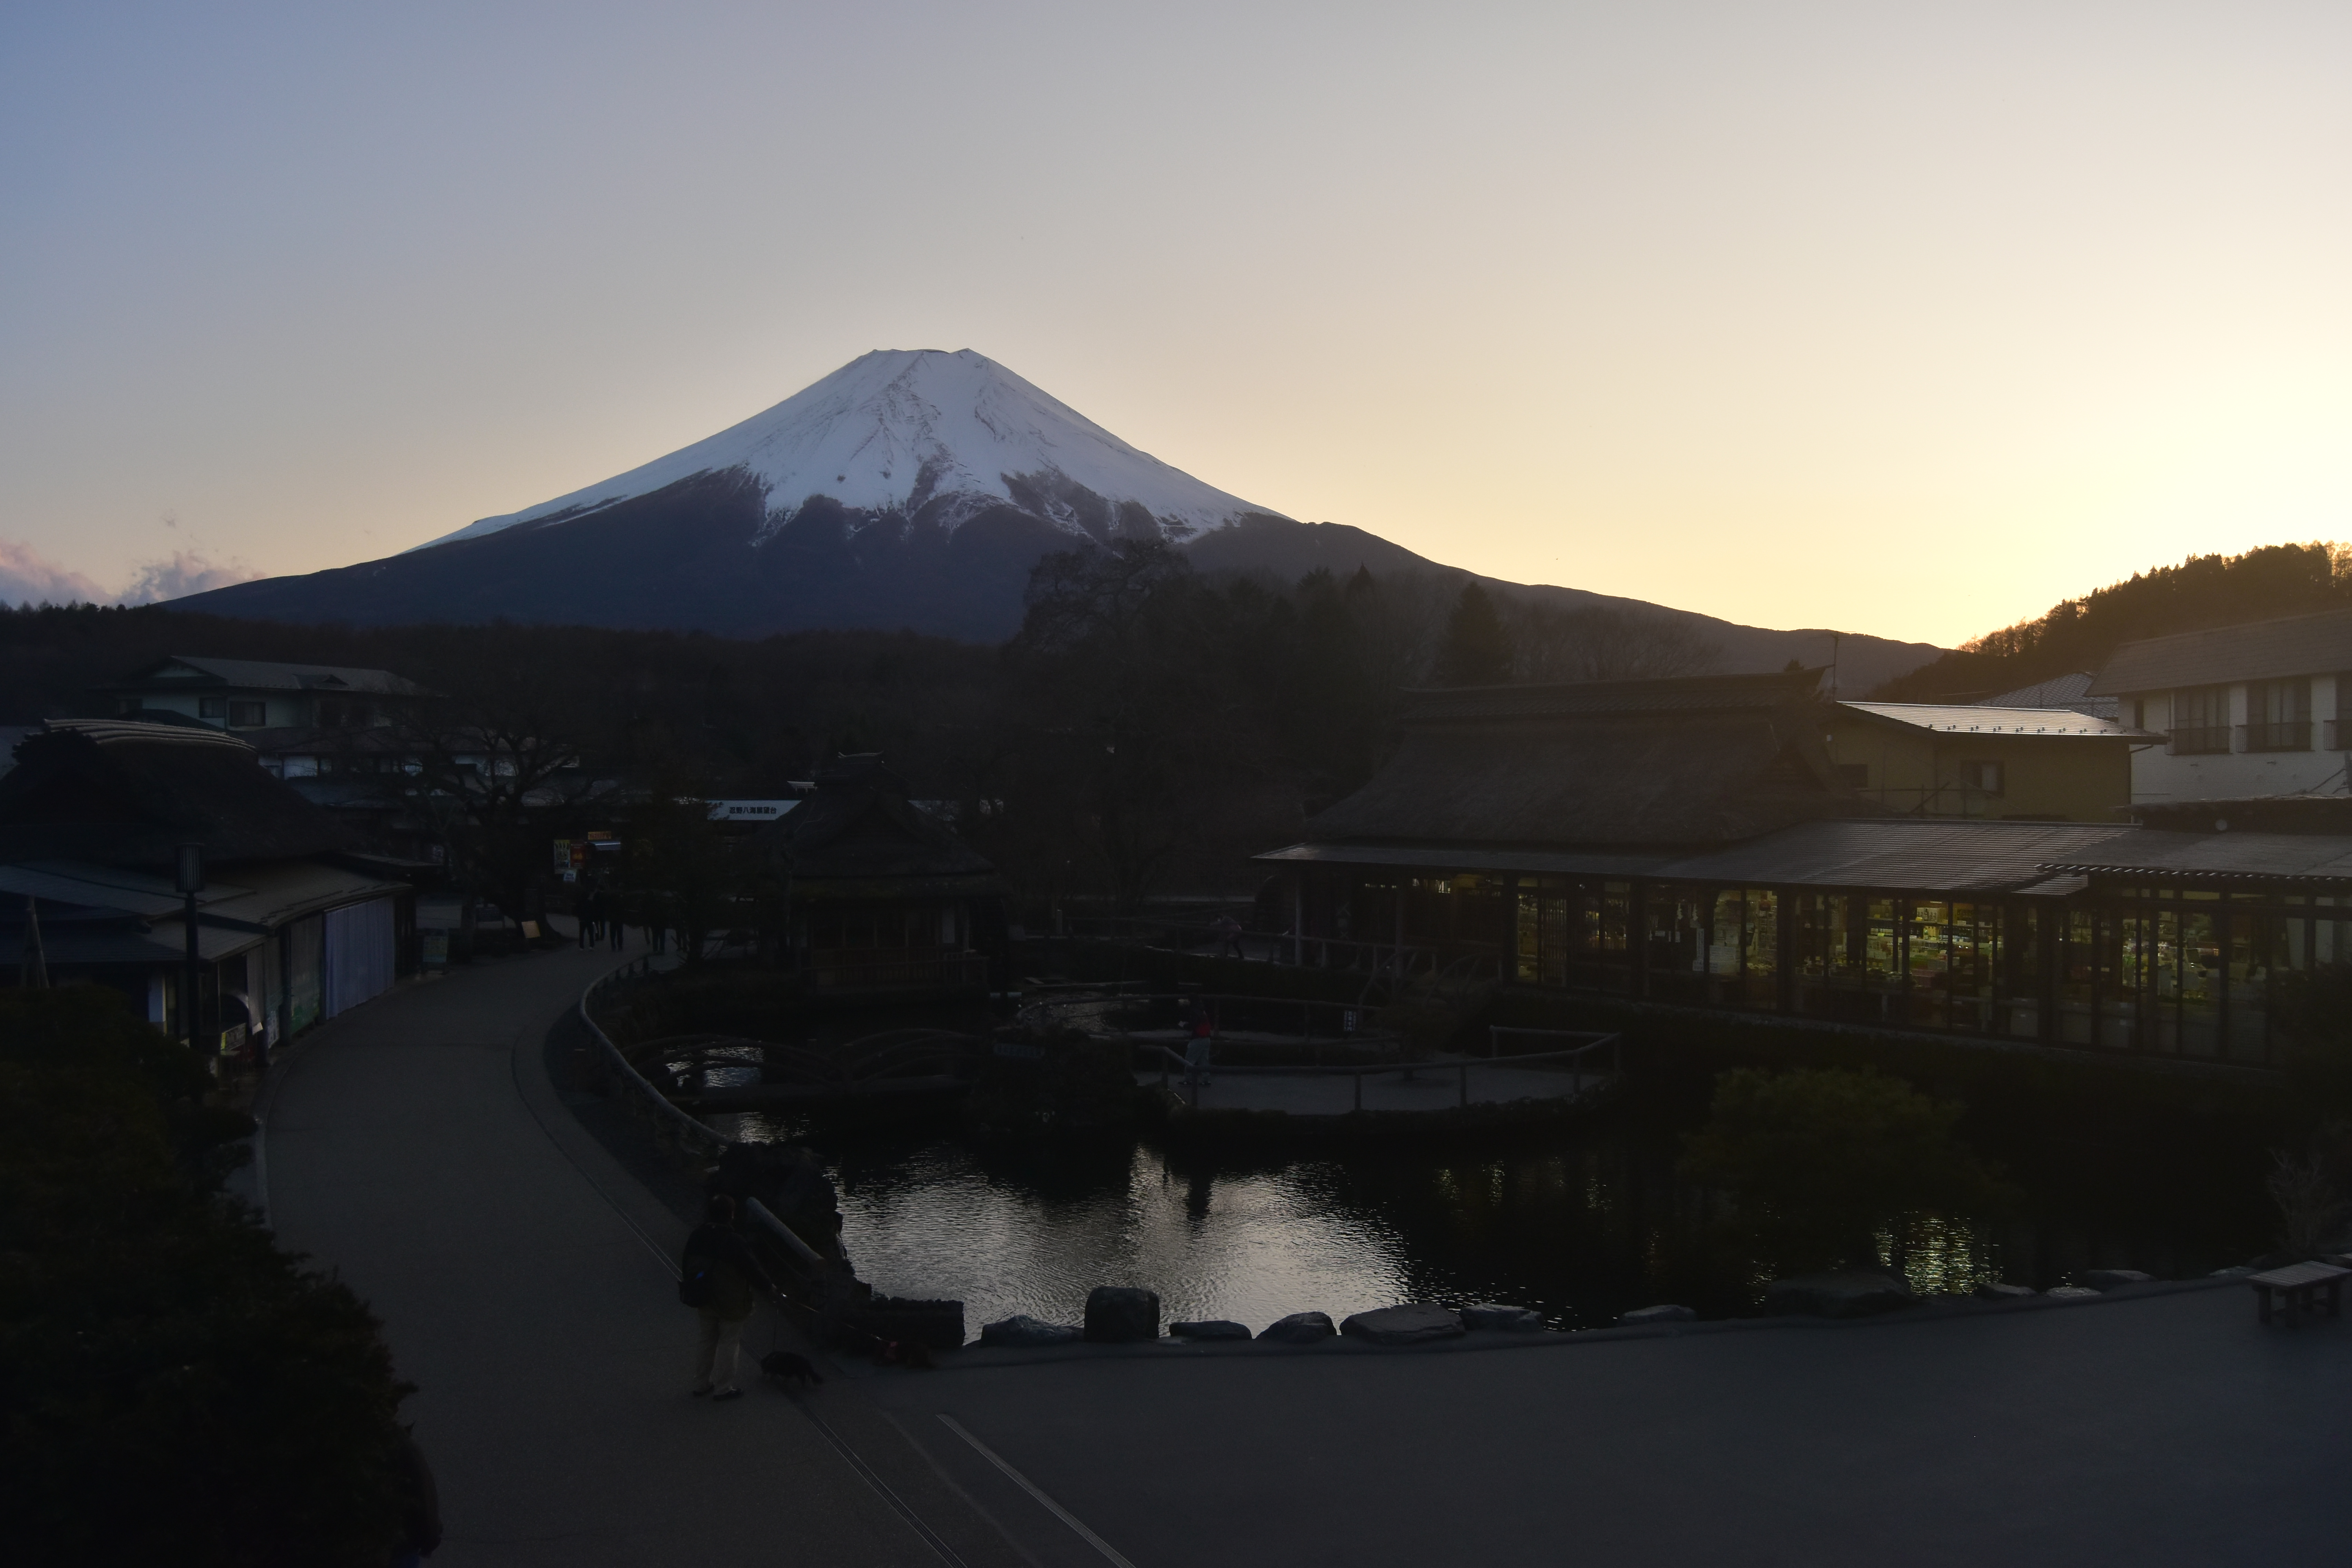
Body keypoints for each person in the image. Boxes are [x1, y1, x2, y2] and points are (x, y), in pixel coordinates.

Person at [682, 1194, 774, 1400]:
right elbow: (753, 1270)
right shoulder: (734, 1241)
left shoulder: (697, 1235)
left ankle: (701, 1384)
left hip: (704, 1297)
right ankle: (723, 1388)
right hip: (731, 1301)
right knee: (729, 1342)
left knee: (707, 1340)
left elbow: (686, 1265)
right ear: (731, 1215)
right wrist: (769, 1288)